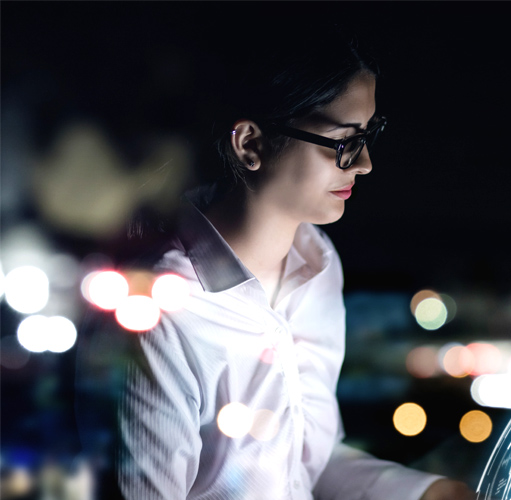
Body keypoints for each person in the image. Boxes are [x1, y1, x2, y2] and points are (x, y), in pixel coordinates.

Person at [76, 21, 474, 500]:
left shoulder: (318, 266)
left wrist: (428, 493)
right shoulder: (166, 310)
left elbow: (305, 460)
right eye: (345, 141)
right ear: (250, 144)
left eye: (369, 135)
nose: (365, 162)